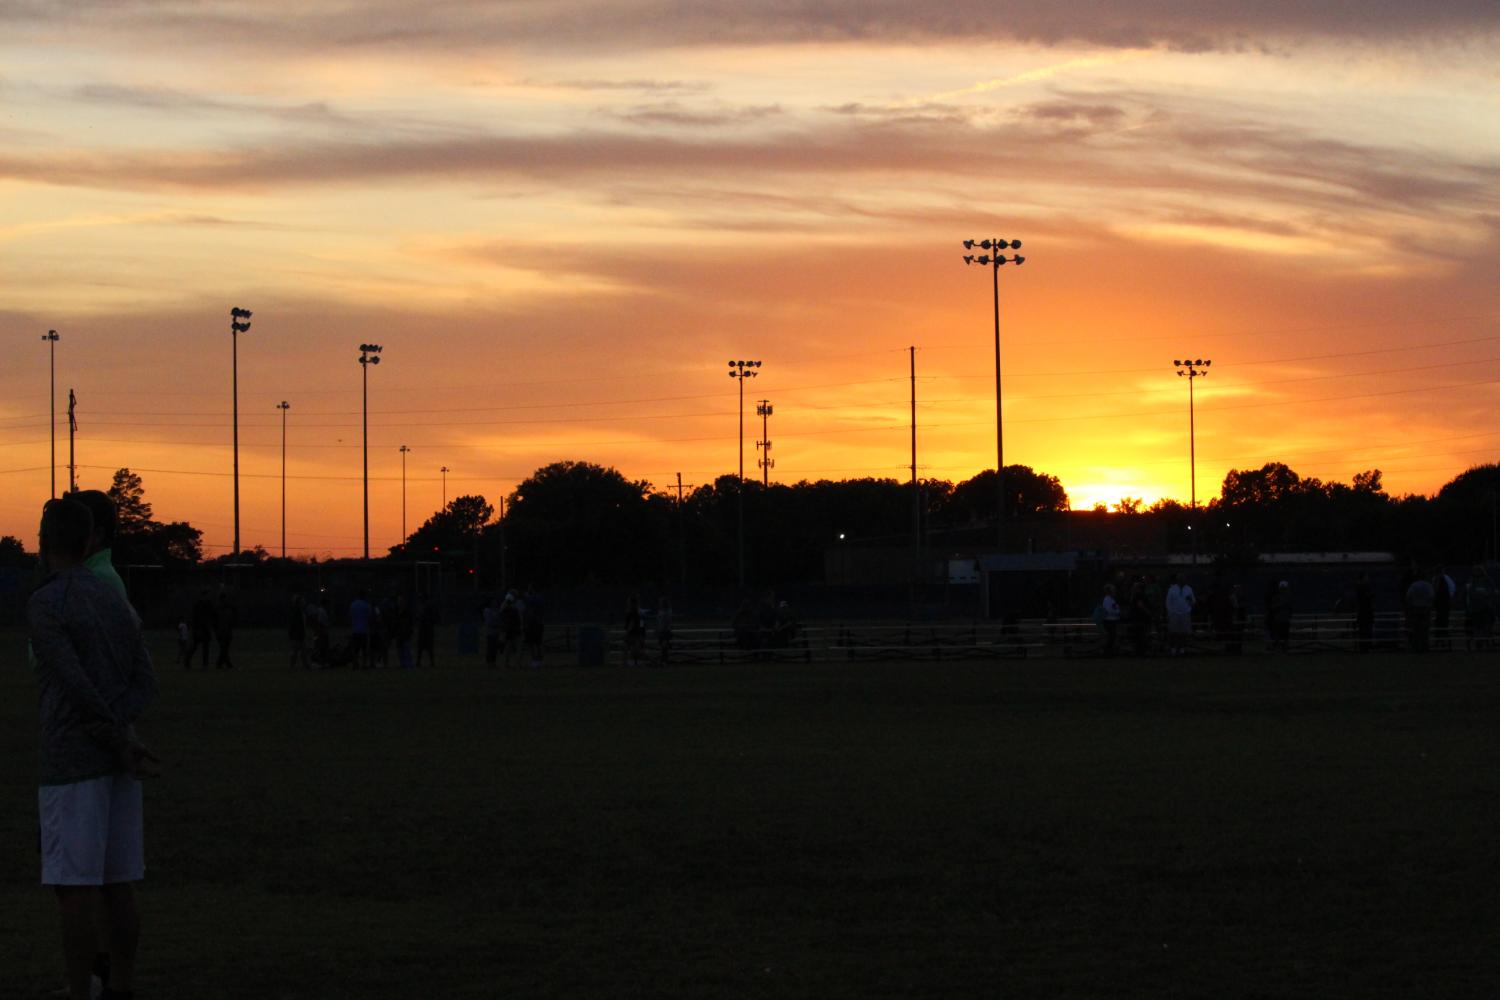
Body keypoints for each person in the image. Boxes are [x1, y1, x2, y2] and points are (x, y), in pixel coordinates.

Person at [29, 497, 160, 1000]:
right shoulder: (114, 599)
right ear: (89, 542)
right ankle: (120, 985)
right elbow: (145, 681)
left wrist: (110, 736)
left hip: (72, 762)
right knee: (118, 882)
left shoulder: (45, 603)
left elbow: (73, 686)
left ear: (43, 543)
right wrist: (124, 735)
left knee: (74, 889)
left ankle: (81, 988)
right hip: (119, 763)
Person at [1164, 573, 1195, 656]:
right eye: (1180, 578)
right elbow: (1168, 602)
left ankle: (1182, 648)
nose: (1182, 580)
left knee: (1184, 632)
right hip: (1174, 613)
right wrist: (1170, 612)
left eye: (1183, 578)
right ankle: (1173, 648)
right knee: (1174, 632)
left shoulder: (1189, 589)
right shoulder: (1172, 589)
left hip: (1185, 613)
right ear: (1177, 580)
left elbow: (1193, 602)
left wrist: (1190, 601)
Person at [186, 589, 216, 670]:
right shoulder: (200, 605)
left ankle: (204, 664)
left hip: (204, 628)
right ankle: (188, 661)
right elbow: (195, 617)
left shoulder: (207, 604)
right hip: (200, 628)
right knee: (196, 646)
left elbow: (213, 615)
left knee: (205, 647)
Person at [1405, 574, 1435, 652]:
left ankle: (1416, 647)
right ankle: (1425, 647)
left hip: (1416, 608)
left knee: (1415, 629)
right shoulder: (1428, 585)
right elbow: (1432, 596)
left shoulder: (1413, 585)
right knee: (1425, 629)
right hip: (1425, 609)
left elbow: (1408, 595)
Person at [522, 585, 545, 669]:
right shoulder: (539, 598)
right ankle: (538, 661)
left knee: (534, 643)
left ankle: (536, 661)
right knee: (537, 643)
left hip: (533, 623)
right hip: (537, 623)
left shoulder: (531, 599)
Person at [349, 590, 373, 669]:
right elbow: (370, 617)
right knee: (364, 649)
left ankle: (355, 663)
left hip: (355, 630)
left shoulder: (353, 605)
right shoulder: (366, 605)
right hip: (364, 630)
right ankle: (364, 664)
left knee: (355, 649)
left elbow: (350, 616)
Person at [214, 590, 237, 669]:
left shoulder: (226, 608)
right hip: (222, 631)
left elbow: (231, 620)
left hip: (225, 631)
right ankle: (226, 664)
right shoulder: (225, 608)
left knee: (224, 649)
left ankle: (221, 664)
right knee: (224, 649)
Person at [499, 591, 522, 669]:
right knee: (518, 648)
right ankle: (517, 664)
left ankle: (506, 664)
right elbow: (518, 620)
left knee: (507, 648)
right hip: (514, 630)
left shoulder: (503, 608)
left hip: (507, 630)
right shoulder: (514, 609)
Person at [623, 594, 646, 667]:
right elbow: (642, 623)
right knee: (634, 648)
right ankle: (633, 662)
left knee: (631, 648)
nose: (627, 603)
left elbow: (632, 623)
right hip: (636, 632)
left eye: (629, 601)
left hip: (633, 633)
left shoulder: (633, 612)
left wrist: (627, 632)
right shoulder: (637, 611)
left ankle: (627, 663)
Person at [392, 594, 415, 669]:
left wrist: (410, 631)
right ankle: (403, 664)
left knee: (406, 649)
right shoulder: (396, 611)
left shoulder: (407, 611)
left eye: (401, 601)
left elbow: (410, 622)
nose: (400, 602)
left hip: (405, 633)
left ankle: (408, 664)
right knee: (400, 650)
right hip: (399, 633)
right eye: (399, 601)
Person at [1354, 572, 1375, 652]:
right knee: (1366, 630)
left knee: (1363, 630)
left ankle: (1364, 646)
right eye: (1366, 577)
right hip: (1365, 612)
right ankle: (1365, 646)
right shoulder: (1363, 587)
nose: (1368, 579)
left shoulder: (1359, 587)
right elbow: (1366, 597)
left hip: (1363, 612)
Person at [288, 592, 309, 669]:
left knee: (302, 651)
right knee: (296, 651)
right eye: (302, 601)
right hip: (297, 635)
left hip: (298, 634)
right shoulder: (297, 612)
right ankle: (293, 666)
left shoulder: (299, 611)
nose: (304, 602)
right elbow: (296, 625)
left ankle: (305, 665)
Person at [1099, 583, 1121, 656]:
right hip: (1110, 620)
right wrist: (1117, 612)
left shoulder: (1110, 599)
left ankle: (1109, 651)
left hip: (1112, 619)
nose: (1115, 592)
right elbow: (1109, 610)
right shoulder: (1108, 599)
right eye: (1113, 590)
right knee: (1111, 637)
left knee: (1112, 637)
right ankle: (1107, 652)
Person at [416, 597, 437, 669]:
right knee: (423, 647)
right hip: (425, 629)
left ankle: (429, 662)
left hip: (426, 629)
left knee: (426, 647)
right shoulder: (424, 606)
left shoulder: (425, 606)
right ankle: (421, 662)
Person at [482, 596, 503, 668]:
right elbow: (489, 622)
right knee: (490, 648)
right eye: (493, 601)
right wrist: (498, 624)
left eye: (495, 602)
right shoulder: (487, 610)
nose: (495, 603)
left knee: (495, 648)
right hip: (490, 632)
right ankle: (489, 662)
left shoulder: (498, 610)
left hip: (497, 632)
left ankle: (493, 662)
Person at [656, 597, 674, 664]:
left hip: (665, 631)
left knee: (664, 646)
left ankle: (664, 660)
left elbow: (667, 622)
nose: (660, 603)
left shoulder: (667, 611)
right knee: (662, 646)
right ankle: (663, 660)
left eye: (661, 602)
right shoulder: (662, 611)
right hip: (662, 631)